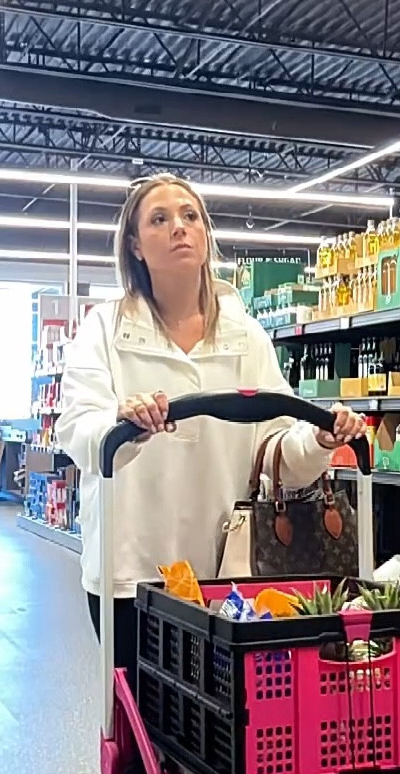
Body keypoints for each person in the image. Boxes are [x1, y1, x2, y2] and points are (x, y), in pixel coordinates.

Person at [55, 175, 367, 671]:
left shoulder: (245, 334)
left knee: (218, 731)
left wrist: (320, 439)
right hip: (130, 570)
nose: (179, 227)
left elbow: (281, 451)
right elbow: (77, 429)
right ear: (135, 245)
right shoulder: (106, 329)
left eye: (190, 216)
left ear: (205, 235)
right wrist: (124, 425)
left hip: (228, 572)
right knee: (139, 723)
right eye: (160, 219)